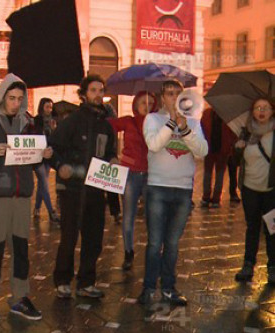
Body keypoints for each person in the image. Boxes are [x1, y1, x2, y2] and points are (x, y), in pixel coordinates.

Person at [0, 73, 52, 321]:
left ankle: (19, 296)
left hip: (22, 195)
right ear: (2, 96)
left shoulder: (28, 122)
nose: (15, 103)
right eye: (11, 98)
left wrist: (44, 153)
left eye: (19, 98)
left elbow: (34, 152)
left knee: (20, 249)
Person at [138, 80, 208, 306]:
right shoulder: (152, 119)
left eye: (179, 93)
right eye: (170, 94)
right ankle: (149, 289)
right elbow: (154, 145)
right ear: (162, 98)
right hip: (158, 186)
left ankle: (168, 289)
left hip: (183, 189)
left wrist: (185, 128)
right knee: (154, 242)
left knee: (172, 244)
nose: (175, 97)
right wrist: (171, 123)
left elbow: (202, 151)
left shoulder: (193, 123)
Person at [49, 74, 118, 299]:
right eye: (93, 90)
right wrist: (61, 166)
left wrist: (113, 159)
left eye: (101, 91)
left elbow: (109, 153)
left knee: (93, 238)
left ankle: (87, 282)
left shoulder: (106, 125)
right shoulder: (73, 120)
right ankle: (62, 280)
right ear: (84, 94)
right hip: (73, 190)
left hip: (96, 190)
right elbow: (53, 148)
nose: (98, 95)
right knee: (69, 237)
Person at [109, 91, 158, 270]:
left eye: (151, 102)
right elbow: (107, 126)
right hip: (130, 174)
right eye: (143, 102)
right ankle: (128, 252)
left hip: (150, 174)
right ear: (136, 104)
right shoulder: (128, 121)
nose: (147, 105)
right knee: (128, 216)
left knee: (152, 217)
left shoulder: (157, 122)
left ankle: (153, 253)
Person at [233, 98, 275, 284]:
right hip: (249, 188)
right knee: (252, 228)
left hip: (271, 190)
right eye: (258, 107)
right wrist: (237, 150)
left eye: (266, 108)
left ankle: (272, 268)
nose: (262, 111)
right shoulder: (246, 132)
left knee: (272, 230)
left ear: (272, 111)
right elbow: (234, 163)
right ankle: (248, 265)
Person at [200, 108, 236, 208]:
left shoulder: (227, 115)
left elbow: (233, 134)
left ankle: (215, 198)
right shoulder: (207, 113)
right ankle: (207, 197)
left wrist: (229, 144)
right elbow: (201, 129)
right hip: (209, 149)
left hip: (222, 150)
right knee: (208, 174)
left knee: (218, 175)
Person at [33, 97, 58, 222]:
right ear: (42, 106)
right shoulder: (36, 120)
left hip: (48, 155)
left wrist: (54, 130)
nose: (49, 109)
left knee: (42, 184)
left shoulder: (53, 121)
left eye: (51, 107)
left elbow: (55, 139)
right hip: (38, 156)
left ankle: (37, 208)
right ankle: (51, 211)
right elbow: (35, 136)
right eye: (47, 106)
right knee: (44, 182)